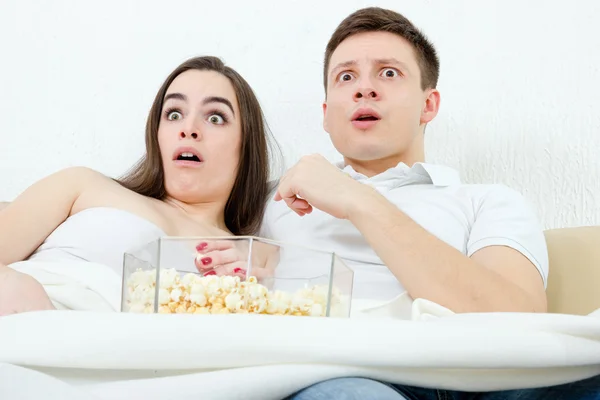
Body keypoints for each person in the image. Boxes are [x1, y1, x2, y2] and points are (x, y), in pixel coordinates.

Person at [197, 6, 599, 400]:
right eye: (346, 76)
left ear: (429, 104)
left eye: (389, 73)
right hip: (342, 375)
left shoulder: (487, 202)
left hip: (483, 379)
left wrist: (357, 199)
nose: (364, 88)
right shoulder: (272, 202)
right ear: (325, 113)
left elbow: (518, 325)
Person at [0, 55, 278, 316]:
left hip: (110, 354)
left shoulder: (252, 255)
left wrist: (262, 255)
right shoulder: (83, 185)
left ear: (246, 144)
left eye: (215, 117)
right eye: (173, 114)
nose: (189, 128)